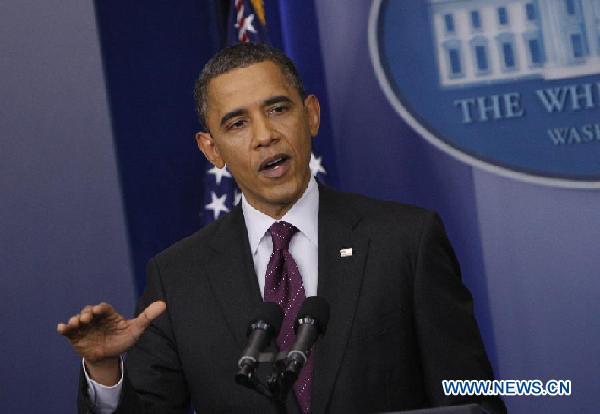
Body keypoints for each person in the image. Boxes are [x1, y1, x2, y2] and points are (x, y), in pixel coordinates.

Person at [57, 43, 507, 414]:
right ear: (211, 149)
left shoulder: (404, 240)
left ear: (310, 114)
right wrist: (104, 372)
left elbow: (473, 401)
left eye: (277, 109)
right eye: (237, 123)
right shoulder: (177, 277)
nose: (264, 135)